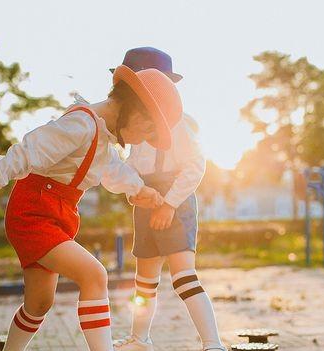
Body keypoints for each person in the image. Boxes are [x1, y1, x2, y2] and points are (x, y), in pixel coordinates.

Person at [0, 64, 182, 351]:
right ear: (134, 110)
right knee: (94, 275)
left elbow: (112, 170)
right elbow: (29, 150)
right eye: (148, 129)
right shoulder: (81, 125)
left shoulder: (101, 137)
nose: (143, 140)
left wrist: (140, 190)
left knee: (38, 303)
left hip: (59, 214)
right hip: (34, 212)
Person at [113, 47, 227, 351]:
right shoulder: (136, 124)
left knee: (183, 276)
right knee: (144, 280)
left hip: (174, 198)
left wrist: (168, 203)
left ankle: (212, 343)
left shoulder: (180, 122)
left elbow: (195, 166)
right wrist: (133, 191)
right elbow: (131, 166)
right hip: (147, 197)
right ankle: (140, 338)